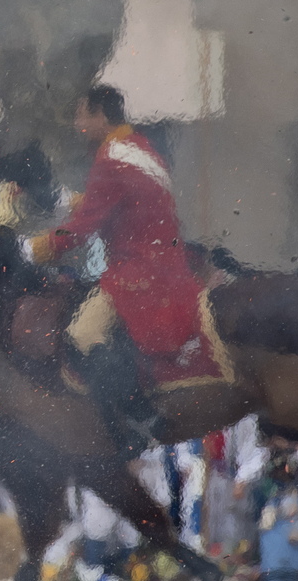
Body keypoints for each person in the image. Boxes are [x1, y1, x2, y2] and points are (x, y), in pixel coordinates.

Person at [28, 85, 223, 458]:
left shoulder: (110, 158)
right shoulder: (138, 148)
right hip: (169, 266)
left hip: (139, 273)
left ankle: (139, 417)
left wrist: (32, 247)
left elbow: (83, 230)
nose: (77, 123)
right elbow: (118, 202)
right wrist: (64, 199)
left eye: (81, 114)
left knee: (82, 334)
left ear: (101, 115)